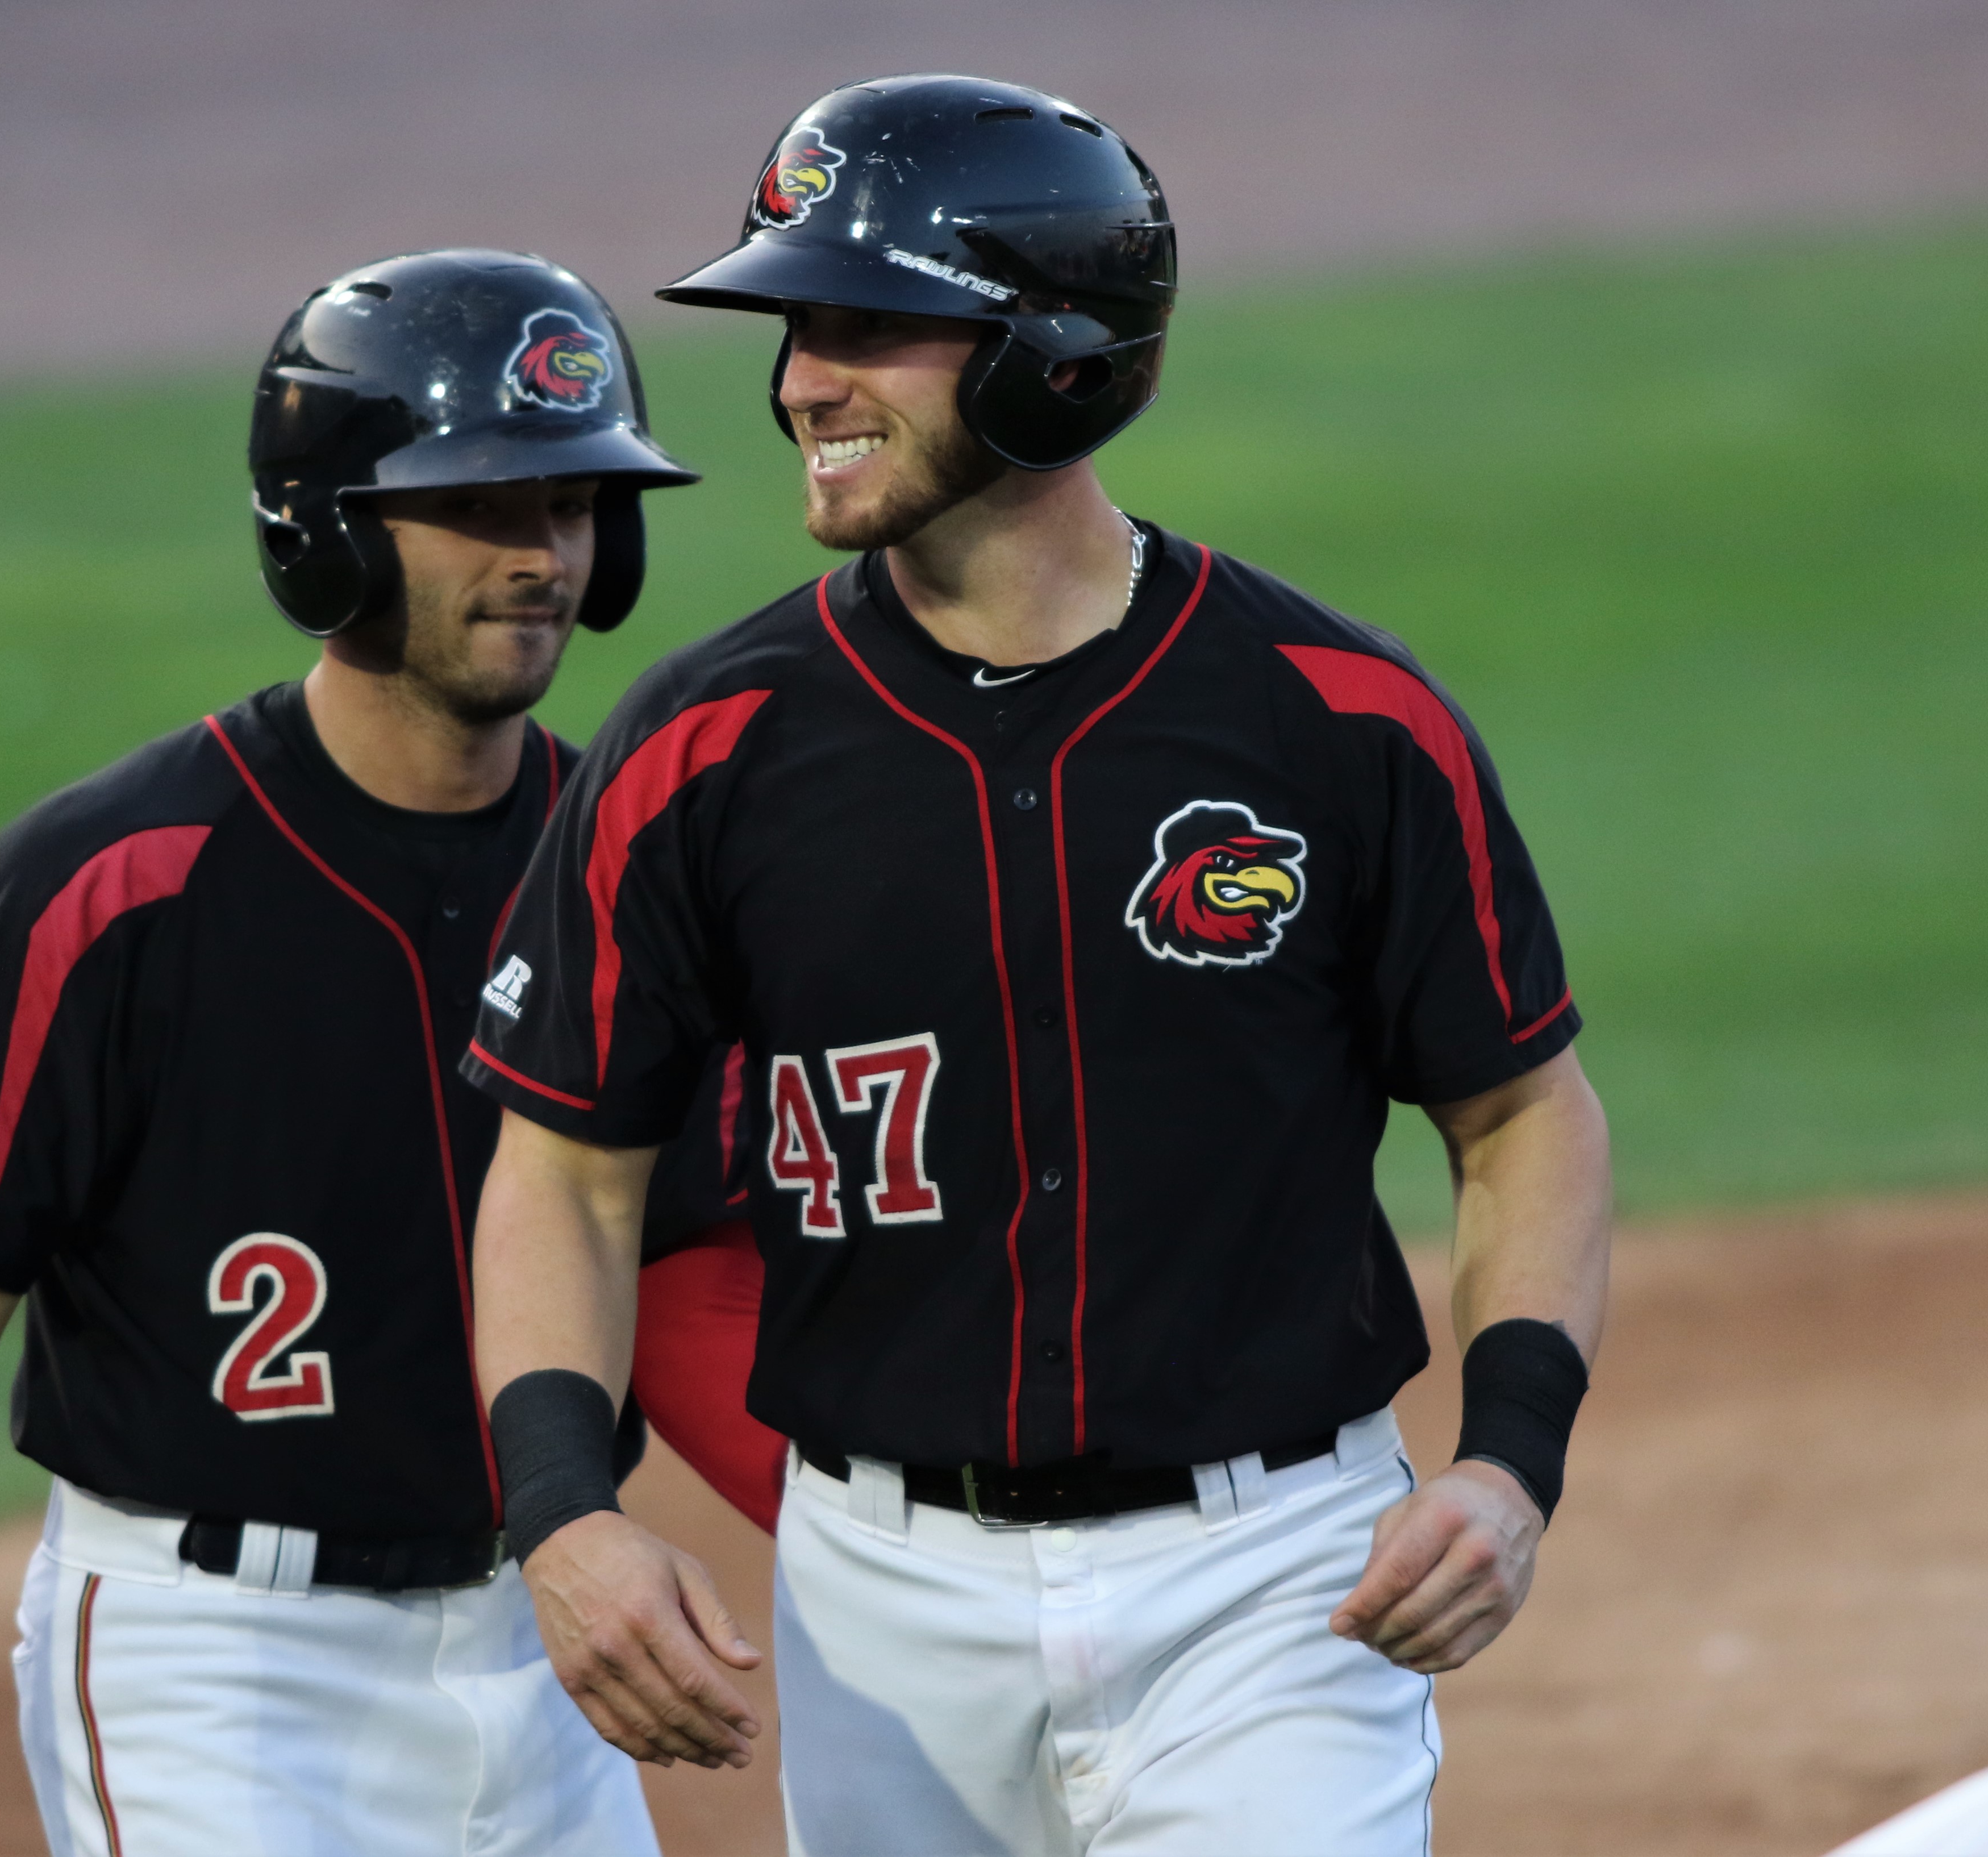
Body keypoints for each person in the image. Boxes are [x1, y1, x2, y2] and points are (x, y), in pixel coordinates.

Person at [461, 76, 1612, 1855]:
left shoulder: (1338, 721)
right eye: (791, 330)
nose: (798, 386)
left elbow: (1521, 1106)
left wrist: (1510, 1456)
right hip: (875, 1599)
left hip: (1271, 1584)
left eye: (865, 328)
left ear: (1053, 352)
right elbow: (567, 1170)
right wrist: (562, 1507)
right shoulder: (706, 743)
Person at [0, 247, 778, 1857]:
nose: (540, 555)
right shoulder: (107, 886)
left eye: (569, 506)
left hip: (541, 1642)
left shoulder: (623, 860)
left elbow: (683, 1266)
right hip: (215, 1663)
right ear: (329, 529)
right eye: (478, 507)